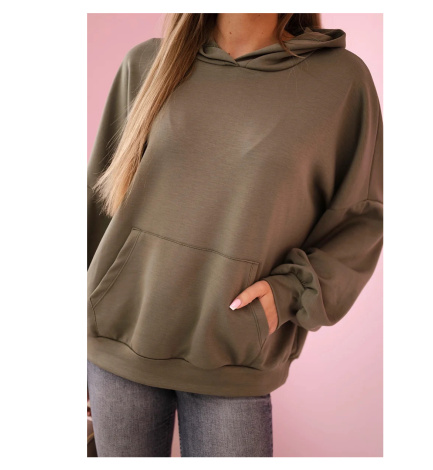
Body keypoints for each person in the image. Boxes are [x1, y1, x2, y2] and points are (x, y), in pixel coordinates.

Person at [87, 13, 383, 457]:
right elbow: (98, 205)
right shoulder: (146, 63)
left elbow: (361, 219)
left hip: (232, 354)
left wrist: (291, 291)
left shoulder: (341, 82)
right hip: (116, 345)